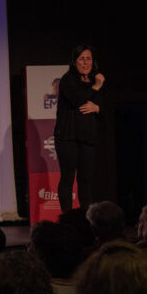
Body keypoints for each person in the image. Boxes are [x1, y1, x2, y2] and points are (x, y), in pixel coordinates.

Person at [53, 44, 105, 213]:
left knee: (85, 180)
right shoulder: (68, 80)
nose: (86, 63)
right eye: (82, 59)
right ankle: (67, 218)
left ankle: (86, 219)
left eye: (88, 59)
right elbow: (78, 99)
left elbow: (103, 105)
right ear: (74, 62)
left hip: (88, 137)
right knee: (68, 178)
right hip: (68, 137)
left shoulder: (96, 79)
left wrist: (97, 108)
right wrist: (96, 87)